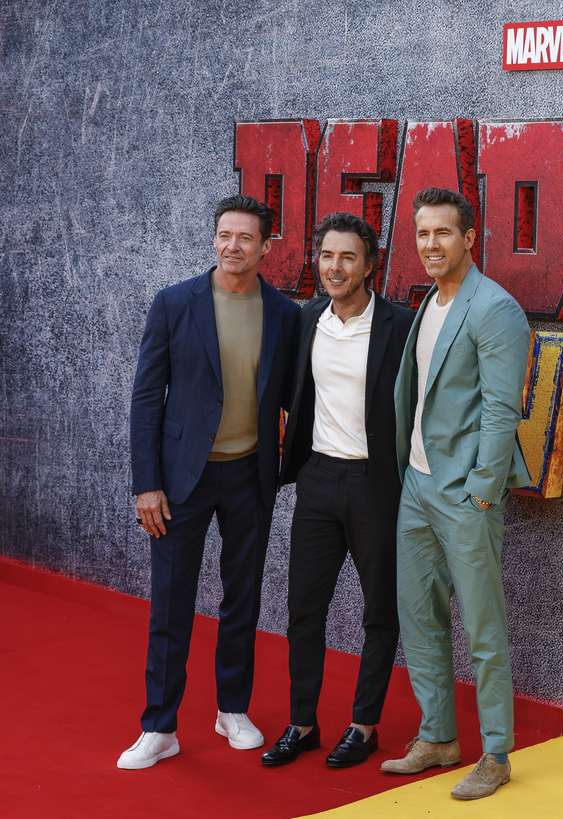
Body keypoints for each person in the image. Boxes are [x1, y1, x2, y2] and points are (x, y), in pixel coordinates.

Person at [120, 195, 300, 769]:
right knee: (171, 603)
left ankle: (232, 709)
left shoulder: (285, 314)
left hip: (249, 475)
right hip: (180, 482)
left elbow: (294, 397)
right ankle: (160, 726)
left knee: (241, 599)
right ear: (214, 238)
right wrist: (147, 483)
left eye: (245, 237)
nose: (232, 245)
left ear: (266, 247)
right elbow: (148, 396)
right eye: (224, 234)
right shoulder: (175, 303)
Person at [379, 187, 531, 800]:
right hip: (416, 484)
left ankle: (495, 752)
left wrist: (483, 493)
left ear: (469, 237)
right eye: (422, 234)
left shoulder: (494, 309)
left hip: (466, 493)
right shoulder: (432, 304)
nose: (431, 245)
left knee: (483, 627)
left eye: (443, 233)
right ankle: (439, 736)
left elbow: (501, 408)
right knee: (419, 616)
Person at [261, 213, 413, 768]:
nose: (335, 267)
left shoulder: (401, 325)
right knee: (303, 609)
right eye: (327, 255)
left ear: (371, 265)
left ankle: (364, 724)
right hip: (318, 480)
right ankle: (302, 723)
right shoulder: (307, 321)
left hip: (377, 484)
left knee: (380, 611)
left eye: (348, 257)